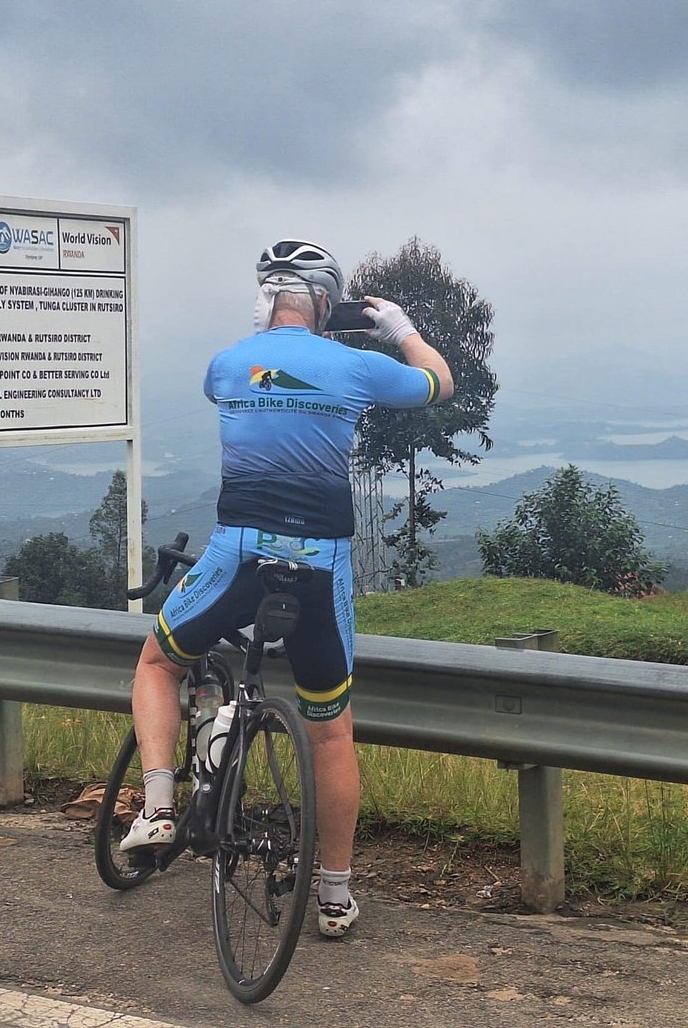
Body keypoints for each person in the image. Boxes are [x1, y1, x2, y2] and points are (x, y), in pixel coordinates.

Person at [123, 238, 454, 937]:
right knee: (330, 734)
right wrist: (399, 329)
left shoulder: (227, 364)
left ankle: (157, 807)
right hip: (320, 565)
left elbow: (243, 383)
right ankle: (333, 897)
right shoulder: (359, 366)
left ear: (266, 297)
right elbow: (438, 382)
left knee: (158, 664)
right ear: (328, 303)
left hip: (237, 558)